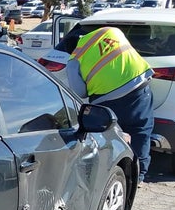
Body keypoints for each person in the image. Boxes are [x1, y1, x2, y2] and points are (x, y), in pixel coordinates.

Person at [66, 26, 154, 182]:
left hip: (108, 99)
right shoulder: (109, 31)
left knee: (112, 137)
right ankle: (139, 177)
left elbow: (79, 92)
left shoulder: (74, 59)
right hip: (139, 86)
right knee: (141, 130)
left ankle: (111, 173)